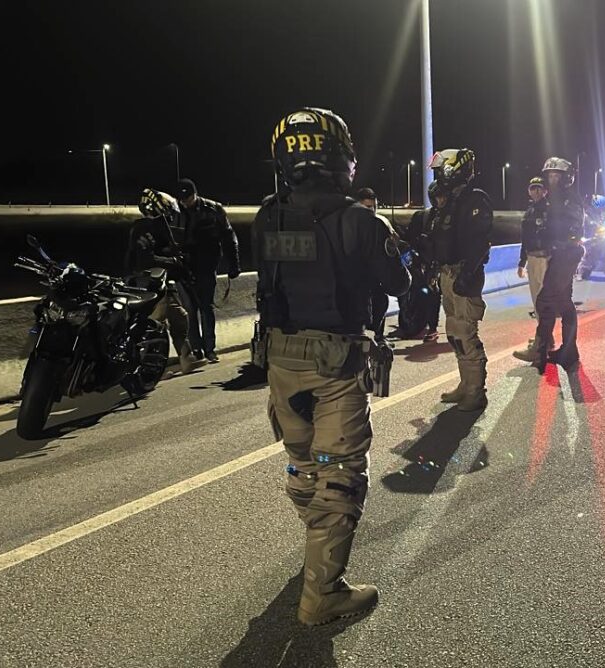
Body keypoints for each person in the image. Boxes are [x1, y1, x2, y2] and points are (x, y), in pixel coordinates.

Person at [255, 107, 410, 626]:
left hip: (279, 359)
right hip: (335, 362)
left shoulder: (267, 216)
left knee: (302, 461)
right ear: (340, 155)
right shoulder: (362, 221)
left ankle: (316, 545)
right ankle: (322, 592)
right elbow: (400, 283)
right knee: (339, 472)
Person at [422, 148, 493, 411]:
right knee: (453, 332)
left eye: (442, 170)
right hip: (447, 273)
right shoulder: (449, 202)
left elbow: (479, 243)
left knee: (465, 333)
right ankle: (465, 384)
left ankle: (476, 391)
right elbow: (440, 239)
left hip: (465, 274)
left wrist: (467, 273)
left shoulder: (475, 200)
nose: (439, 175)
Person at [126, 188, 197, 374]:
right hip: (150, 286)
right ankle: (149, 369)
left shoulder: (160, 227)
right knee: (155, 326)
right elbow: (145, 260)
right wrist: (173, 262)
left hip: (164, 283)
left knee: (179, 318)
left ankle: (187, 358)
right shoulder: (143, 229)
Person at [173, 177, 241, 363]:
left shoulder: (213, 209)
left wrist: (234, 264)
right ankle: (197, 349)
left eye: (188, 198)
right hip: (183, 268)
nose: (185, 203)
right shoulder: (175, 211)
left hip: (206, 266)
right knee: (189, 310)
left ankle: (210, 349)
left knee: (206, 307)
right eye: (182, 199)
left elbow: (228, 236)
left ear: (195, 194)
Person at [531, 157, 585, 373]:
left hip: (566, 254)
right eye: (550, 176)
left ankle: (540, 353)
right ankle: (569, 352)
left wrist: (555, 236)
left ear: (566, 178)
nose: (552, 179)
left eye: (556, 176)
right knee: (564, 302)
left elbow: (571, 228)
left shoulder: (570, 200)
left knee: (545, 301)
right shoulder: (552, 199)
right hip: (558, 254)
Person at [392, 181, 442, 341]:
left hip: (438, 264)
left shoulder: (449, 218)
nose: (440, 200)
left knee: (434, 293)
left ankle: (433, 328)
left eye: (442, 196)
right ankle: (407, 322)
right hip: (418, 263)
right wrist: (397, 233)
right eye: (438, 196)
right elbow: (409, 237)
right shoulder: (422, 216)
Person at [513, 177, 549, 362]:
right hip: (532, 259)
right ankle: (545, 339)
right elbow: (525, 239)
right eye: (533, 188)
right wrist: (522, 262)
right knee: (536, 302)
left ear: (545, 191)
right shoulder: (530, 211)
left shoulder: (549, 210)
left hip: (545, 259)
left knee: (544, 302)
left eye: (539, 188)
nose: (536, 191)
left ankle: (542, 343)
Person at [354, 187, 392, 341]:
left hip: (376, 278)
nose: (372, 211)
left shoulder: (381, 223)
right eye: (368, 207)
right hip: (357, 279)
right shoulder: (350, 224)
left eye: (374, 207)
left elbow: (392, 245)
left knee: (380, 302)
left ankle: (379, 338)